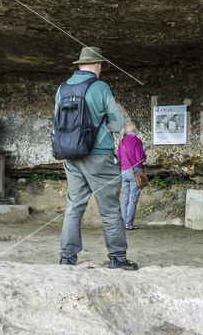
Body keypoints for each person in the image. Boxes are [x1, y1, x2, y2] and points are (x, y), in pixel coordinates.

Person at [57, 46, 138, 271]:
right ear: (99, 65)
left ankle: (67, 257)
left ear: (80, 64)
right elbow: (118, 123)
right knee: (110, 209)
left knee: (74, 207)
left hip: (70, 156)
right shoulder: (100, 87)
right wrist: (103, 131)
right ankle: (118, 258)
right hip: (99, 156)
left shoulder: (62, 88)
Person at [118, 120, 146, 230]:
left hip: (124, 171)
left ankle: (125, 222)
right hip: (135, 171)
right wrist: (144, 155)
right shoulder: (137, 141)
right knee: (133, 198)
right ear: (136, 129)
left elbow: (119, 158)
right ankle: (128, 224)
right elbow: (139, 159)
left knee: (125, 197)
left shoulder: (122, 141)